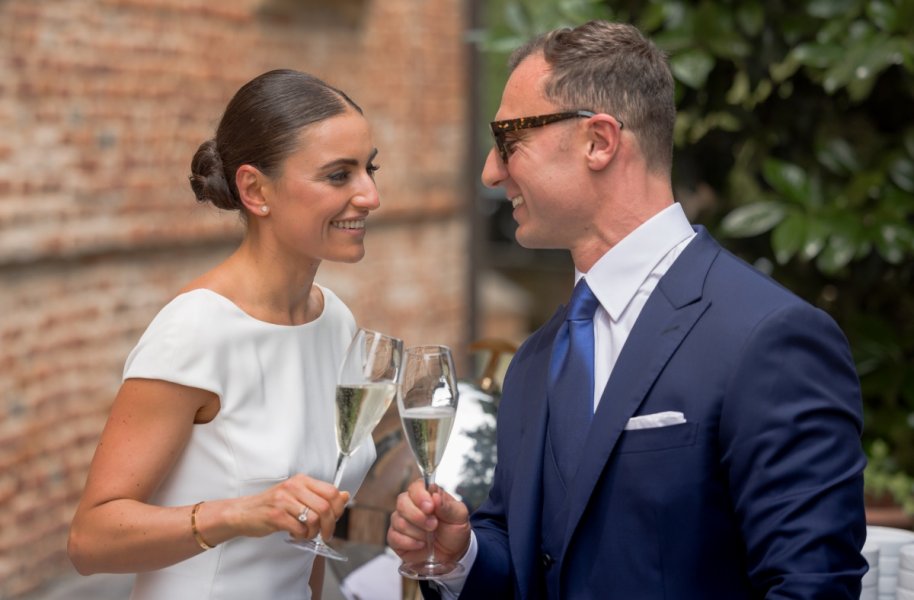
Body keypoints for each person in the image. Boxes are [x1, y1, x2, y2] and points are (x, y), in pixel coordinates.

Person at [387, 20, 867, 599]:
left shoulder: (769, 337)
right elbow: (529, 561)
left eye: (510, 140)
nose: (491, 171)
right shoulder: (538, 357)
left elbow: (810, 586)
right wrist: (461, 557)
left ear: (599, 141)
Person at [68, 69, 383, 599]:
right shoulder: (195, 330)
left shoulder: (336, 322)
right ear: (255, 189)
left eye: (369, 169)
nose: (370, 195)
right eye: (339, 175)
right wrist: (238, 513)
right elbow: (90, 539)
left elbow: (311, 532)